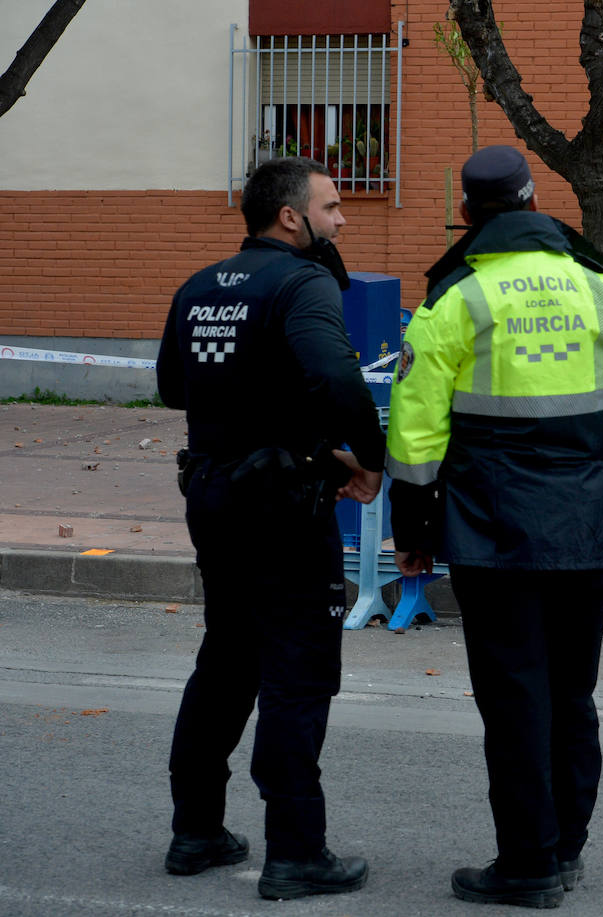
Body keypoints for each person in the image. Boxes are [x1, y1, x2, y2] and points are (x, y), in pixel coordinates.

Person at [386, 145, 603, 909]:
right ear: (536, 200)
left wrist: (411, 527)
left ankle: (527, 863)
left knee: (515, 695)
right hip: (582, 519)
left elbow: (414, 435)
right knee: (573, 693)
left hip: (490, 524)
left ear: (470, 215)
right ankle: (565, 849)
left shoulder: (456, 297)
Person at [156, 156, 383, 901]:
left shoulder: (199, 284)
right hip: (284, 505)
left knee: (226, 658)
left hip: (215, 494)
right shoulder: (302, 282)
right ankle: (297, 849)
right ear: (291, 217)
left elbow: (168, 387)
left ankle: (196, 830)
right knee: (298, 672)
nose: (341, 219)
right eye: (332, 206)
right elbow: (338, 377)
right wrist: (368, 458)